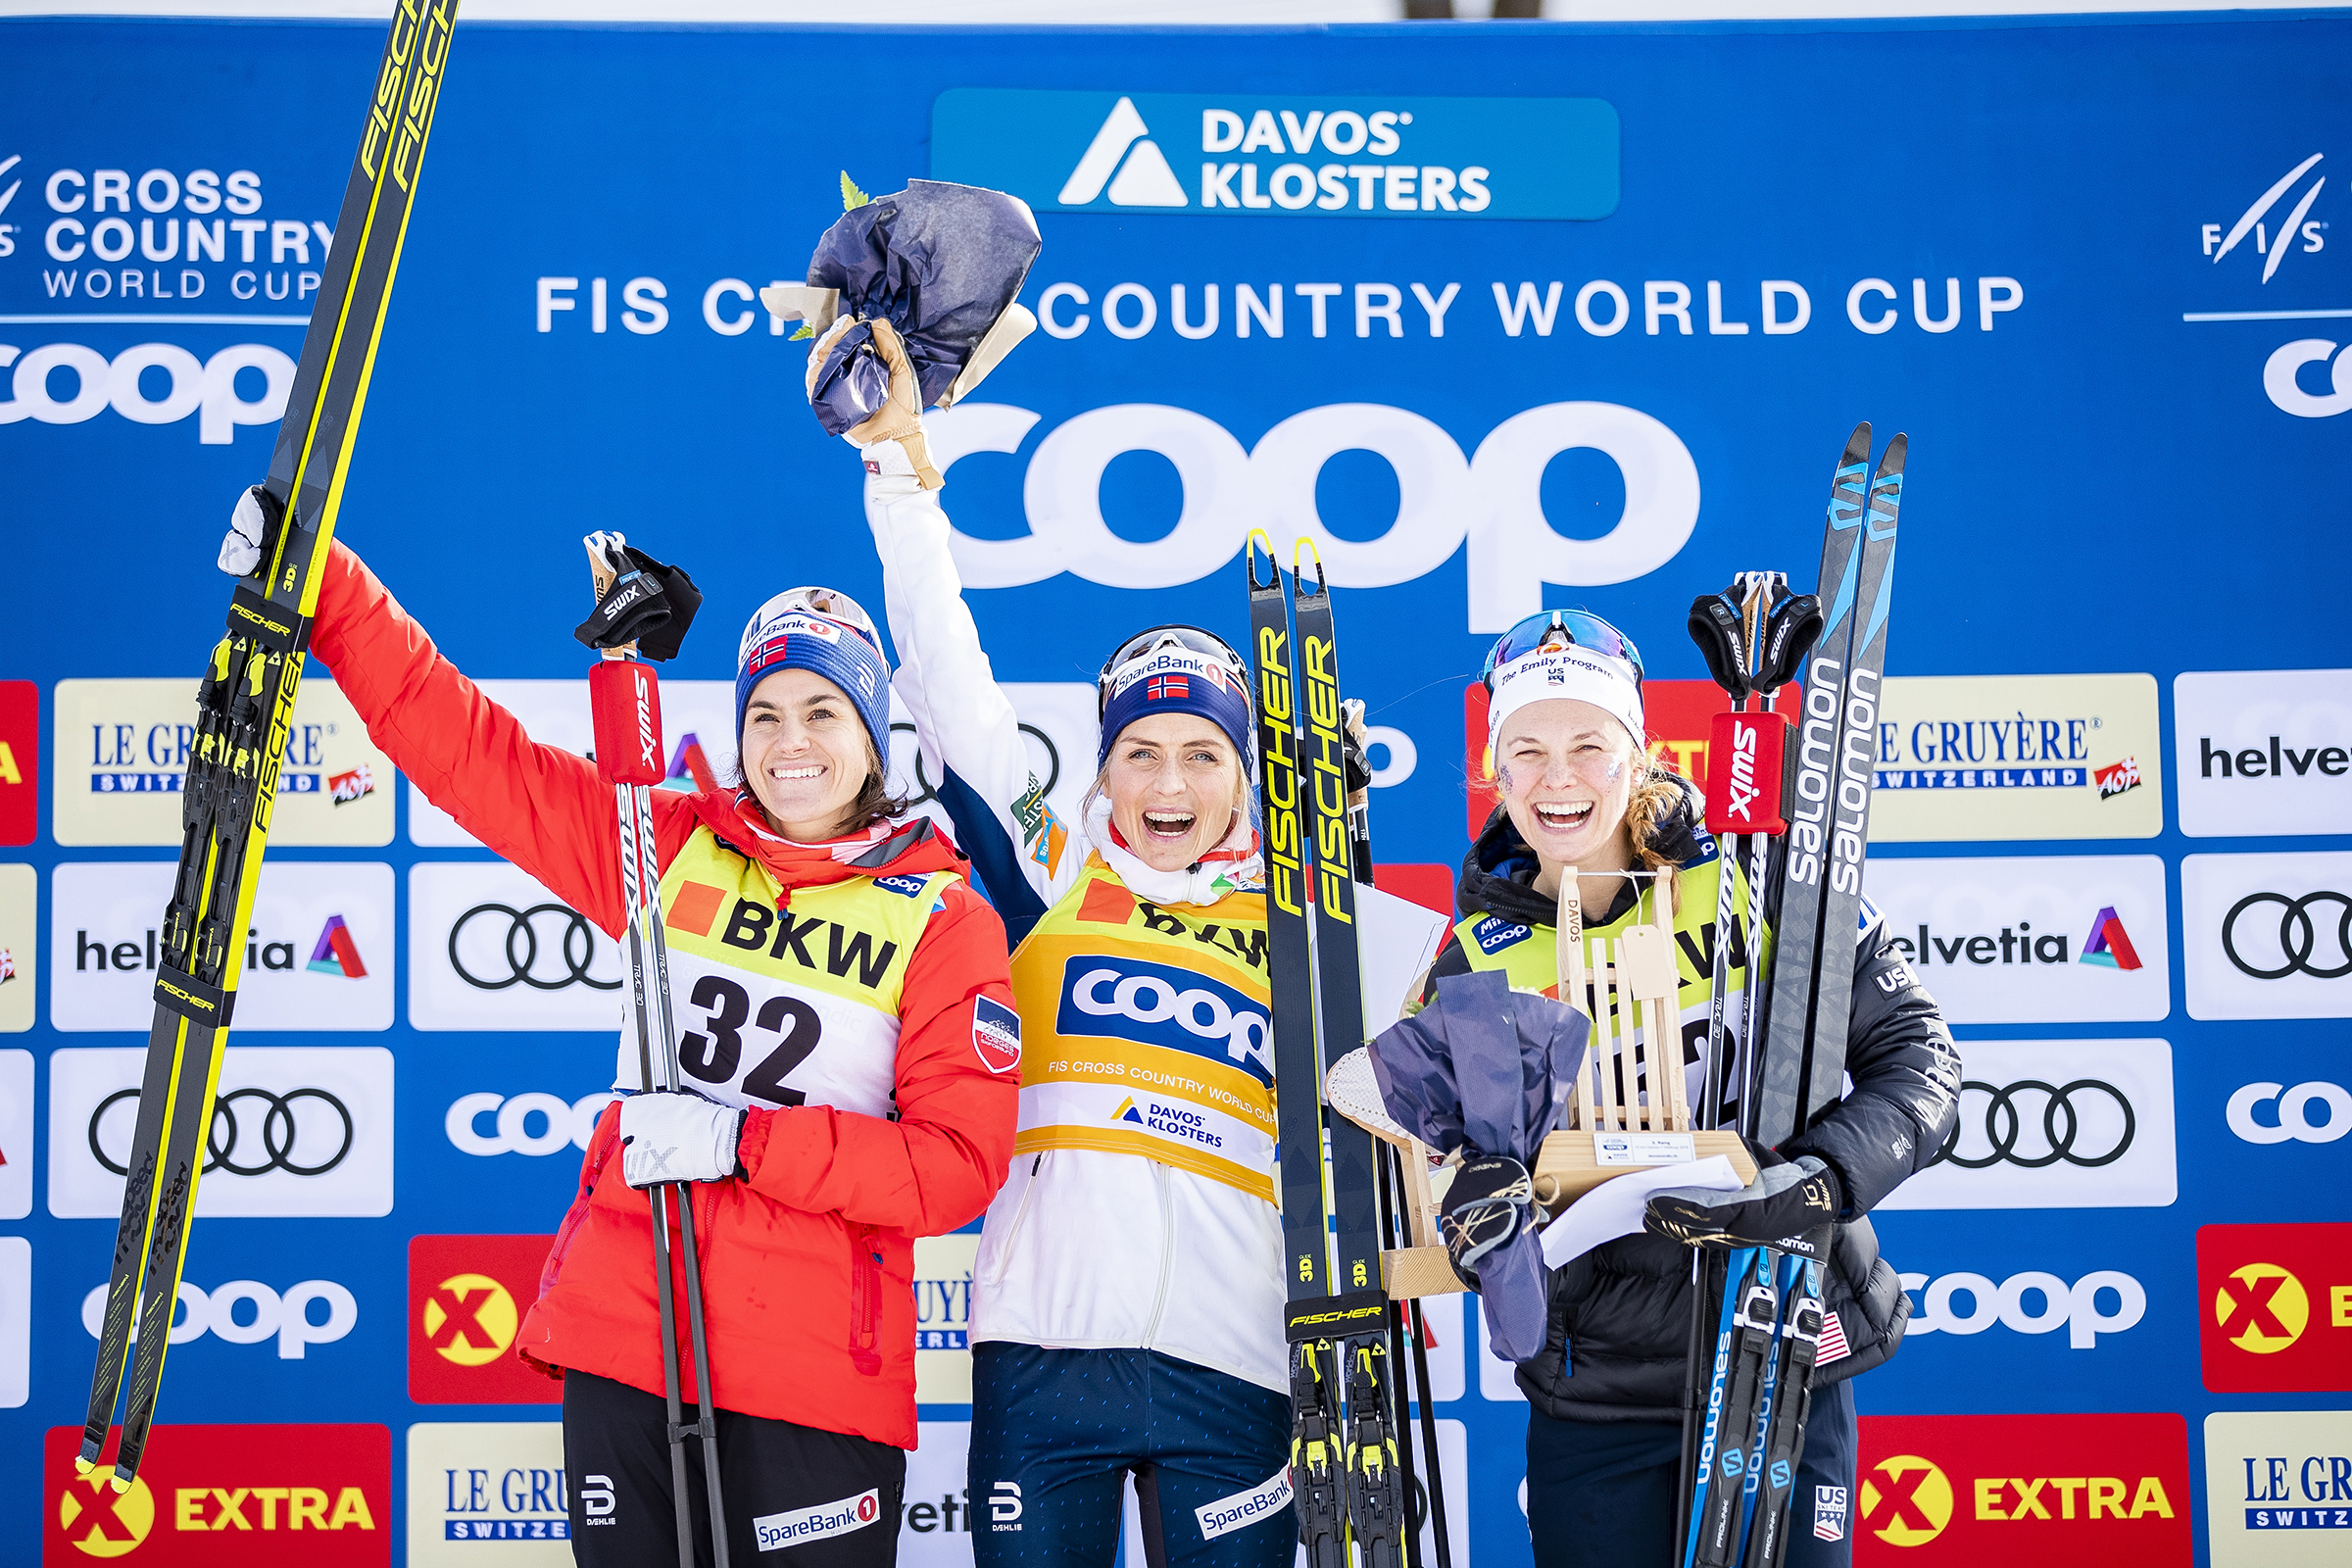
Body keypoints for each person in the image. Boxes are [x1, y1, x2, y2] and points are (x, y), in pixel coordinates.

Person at [215, 490, 1022, 1567]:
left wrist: (741, 1142)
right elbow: (468, 749)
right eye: (767, 713)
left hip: (815, 1375)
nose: (792, 743)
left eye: (825, 714)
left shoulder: (944, 917)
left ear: (875, 736)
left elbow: (953, 1167)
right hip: (633, 1336)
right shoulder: (664, 847)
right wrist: (328, 587)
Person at [817, 313, 1296, 1568]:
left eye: (1203, 753)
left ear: (1244, 781)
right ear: (1103, 768)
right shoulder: (1052, 870)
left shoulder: (1308, 925)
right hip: (1044, 1360)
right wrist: (894, 473)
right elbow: (943, 673)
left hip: (1237, 1366)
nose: (1171, 779)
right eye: (1141, 750)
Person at [1423, 609, 1961, 1568]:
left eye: (1589, 744)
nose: (1559, 778)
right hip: (1598, 1392)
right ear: (1494, 775)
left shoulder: (1762, 881)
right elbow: (1465, 1174)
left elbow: (1919, 1062)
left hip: (1787, 1345)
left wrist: (1819, 1181)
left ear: (1639, 752)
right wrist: (1476, 1213)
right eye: (1528, 750)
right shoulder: (1472, 965)